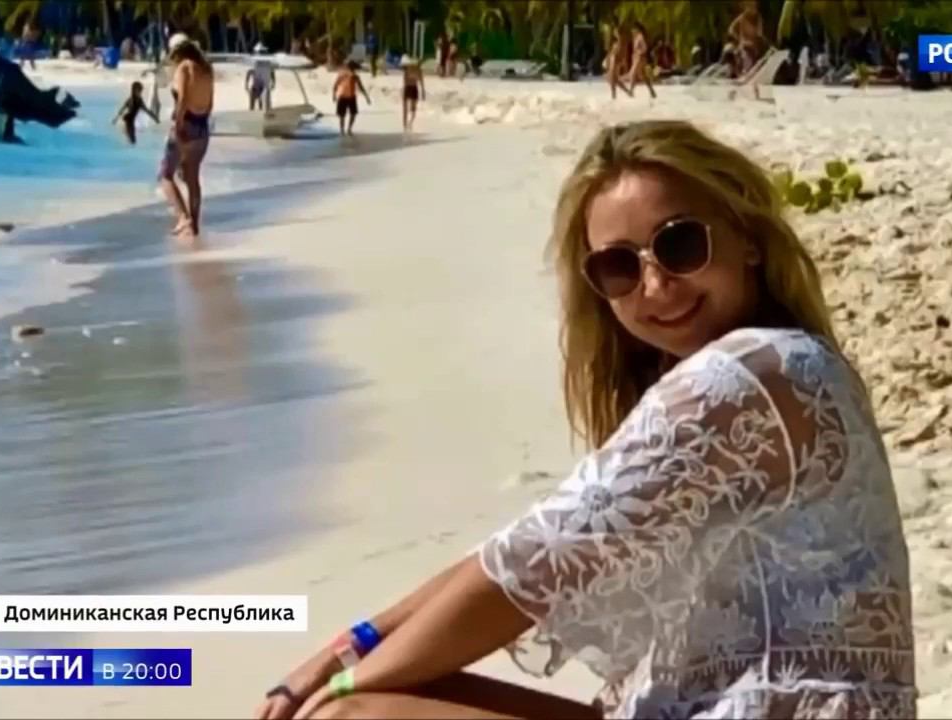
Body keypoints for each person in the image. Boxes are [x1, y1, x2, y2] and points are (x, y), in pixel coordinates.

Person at [251, 120, 916, 720]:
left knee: (352, 717)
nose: (655, 284)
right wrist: (353, 647)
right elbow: (530, 545)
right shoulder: (794, 362)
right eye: (619, 266)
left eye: (680, 244)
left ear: (745, 235)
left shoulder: (746, 378)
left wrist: (341, 683)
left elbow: (531, 568)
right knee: (383, 693)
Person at [158, 34, 214, 240]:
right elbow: (210, 104)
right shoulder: (207, 70)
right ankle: (194, 226)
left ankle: (183, 218)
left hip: (186, 123)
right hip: (202, 126)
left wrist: (178, 124)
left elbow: (182, 99)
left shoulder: (184, 68)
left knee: (165, 175)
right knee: (192, 177)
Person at [332, 59, 371, 137]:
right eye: (353, 68)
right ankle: (344, 130)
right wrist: (334, 95)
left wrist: (366, 96)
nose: (354, 70)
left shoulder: (354, 76)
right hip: (345, 96)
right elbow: (335, 85)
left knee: (350, 114)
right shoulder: (343, 75)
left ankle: (347, 130)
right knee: (344, 115)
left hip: (350, 97)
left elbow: (360, 86)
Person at [626, 22, 657, 99]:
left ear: (637, 29)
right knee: (642, 75)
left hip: (640, 59)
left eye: (633, 29)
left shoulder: (640, 37)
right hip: (637, 59)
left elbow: (644, 48)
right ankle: (651, 91)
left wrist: (639, 53)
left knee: (633, 74)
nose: (632, 31)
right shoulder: (636, 37)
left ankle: (631, 91)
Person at [604, 26, 633, 100]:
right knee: (614, 79)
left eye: (615, 31)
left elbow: (619, 52)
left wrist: (620, 60)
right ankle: (626, 92)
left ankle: (614, 95)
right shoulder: (620, 41)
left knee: (612, 78)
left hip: (615, 59)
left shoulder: (620, 41)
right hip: (615, 59)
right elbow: (620, 52)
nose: (614, 33)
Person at [400, 55, 425, 133]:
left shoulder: (415, 70)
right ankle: (406, 125)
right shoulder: (411, 69)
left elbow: (421, 81)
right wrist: (423, 91)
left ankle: (408, 124)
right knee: (408, 108)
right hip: (410, 88)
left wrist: (423, 91)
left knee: (411, 108)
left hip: (411, 88)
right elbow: (421, 81)